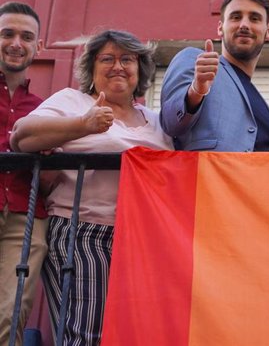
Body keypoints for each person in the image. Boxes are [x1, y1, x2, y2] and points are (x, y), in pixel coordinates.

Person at [10, 30, 173, 345]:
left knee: (133, 332)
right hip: (81, 231)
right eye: (107, 59)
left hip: (139, 240)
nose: (118, 66)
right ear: (92, 67)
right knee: (88, 333)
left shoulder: (155, 120)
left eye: (127, 59)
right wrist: (83, 125)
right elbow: (22, 136)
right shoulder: (72, 101)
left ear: (140, 68)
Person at [160, 0, 269, 152]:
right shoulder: (195, 61)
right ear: (220, 28)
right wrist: (196, 91)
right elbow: (169, 123)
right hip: (204, 176)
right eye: (236, 17)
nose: (244, 25)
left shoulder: (264, 109)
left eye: (254, 18)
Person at [0, 2, 46, 346]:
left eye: (26, 36)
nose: (17, 42)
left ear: (38, 47)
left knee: (10, 313)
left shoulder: (45, 108)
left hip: (24, 217)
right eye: (7, 33)